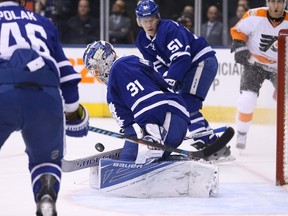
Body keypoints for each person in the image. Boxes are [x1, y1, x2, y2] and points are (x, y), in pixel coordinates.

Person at [0, 1, 89, 215]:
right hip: (46, 97)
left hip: (3, 91)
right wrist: (72, 112)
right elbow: (67, 75)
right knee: (46, 161)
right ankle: (46, 193)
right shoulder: (44, 23)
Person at [134, 0, 230, 159]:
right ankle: (213, 143)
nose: (149, 24)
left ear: (157, 17)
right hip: (186, 68)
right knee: (184, 104)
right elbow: (158, 64)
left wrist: (170, 81)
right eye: (145, 20)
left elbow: (182, 58)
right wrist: (165, 81)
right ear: (139, 21)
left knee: (187, 104)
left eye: (151, 19)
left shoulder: (169, 29)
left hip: (201, 62)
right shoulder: (142, 41)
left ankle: (209, 144)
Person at [83, 40, 190, 163]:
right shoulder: (116, 84)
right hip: (171, 123)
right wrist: (128, 157)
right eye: (93, 71)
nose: (97, 74)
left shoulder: (120, 67)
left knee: (144, 154)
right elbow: (131, 129)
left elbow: (149, 102)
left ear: (105, 59)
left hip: (168, 119)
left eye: (97, 68)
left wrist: (152, 134)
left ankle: (146, 147)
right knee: (142, 162)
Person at [230, 0, 288, 150]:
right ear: (267, 2)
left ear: (285, 3)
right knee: (247, 99)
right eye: (273, 2)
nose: (276, 7)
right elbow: (238, 31)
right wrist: (239, 46)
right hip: (255, 64)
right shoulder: (254, 15)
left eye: (280, 2)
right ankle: (242, 132)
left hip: (281, 68)